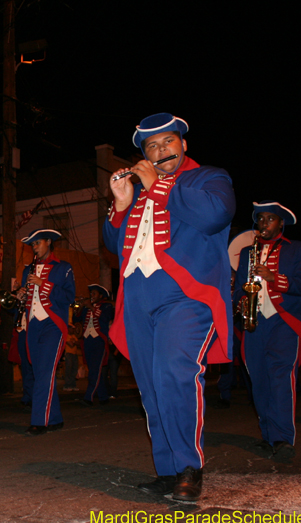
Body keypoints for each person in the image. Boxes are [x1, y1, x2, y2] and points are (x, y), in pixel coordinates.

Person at [104, 113, 235, 502]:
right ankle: (169, 470)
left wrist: (156, 184)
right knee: (151, 385)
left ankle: (189, 468)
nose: (160, 152)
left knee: (175, 372)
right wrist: (122, 204)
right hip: (139, 297)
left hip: (186, 294)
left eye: (167, 143)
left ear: (183, 144)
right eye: (151, 147)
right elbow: (115, 244)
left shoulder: (210, 178)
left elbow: (214, 216)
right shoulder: (141, 190)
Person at [234, 202, 301, 459]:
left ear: (281, 223)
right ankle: (268, 435)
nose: (264, 223)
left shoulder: (297, 249)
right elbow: (238, 290)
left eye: (270, 219)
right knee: (259, 381)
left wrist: (273, 277)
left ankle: (283, 439)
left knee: (280, 378)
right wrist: (239, 304)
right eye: (260, 219)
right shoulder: (247, 252)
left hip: (284, 321)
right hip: (255, 322)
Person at [16, 229, 75, 436]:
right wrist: (21, 295)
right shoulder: (27, 270)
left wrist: (44, 284)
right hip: (33, 324)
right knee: (40, 372)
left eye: (38, 243)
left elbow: (69, 297)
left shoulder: (63, 268)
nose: (35, 248)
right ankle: (55, 418)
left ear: (49, 242)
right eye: (32, 245)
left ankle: (39, 421)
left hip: (53, 324)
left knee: (44, 373)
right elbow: (27, 300)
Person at [73, 284, 114, 406]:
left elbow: (106, 318)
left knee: (94, 370)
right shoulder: (86, 307)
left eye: (94, 293)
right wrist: (79, 308)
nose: (91, 295)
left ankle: (88, 397)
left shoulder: (107, 306)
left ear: (101, 296)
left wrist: (91, 307)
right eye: (91, 293)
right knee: (95, 370)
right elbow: (76, 320)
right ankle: (103, 396)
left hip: (99, 341)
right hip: (87, 340)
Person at [62, 323, 81, 392]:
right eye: (72, 329)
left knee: (74, 370)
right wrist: (74, 342)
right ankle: (67, 385)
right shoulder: (66, 336)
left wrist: (74, 342)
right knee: (68, 370)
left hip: (75, 354)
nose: (73, 330)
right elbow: (71, 345)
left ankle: (73, 385)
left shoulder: (73, 336)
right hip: (68, 354)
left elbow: (79, 343)